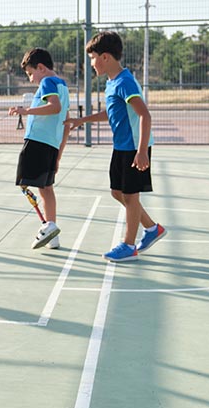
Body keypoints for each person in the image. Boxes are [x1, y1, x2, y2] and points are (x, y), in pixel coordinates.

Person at [65, 31, 165, 262]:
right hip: (121, 146)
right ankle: (152, 229)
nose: (91, 63)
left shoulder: (125, 82)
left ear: (106, 57)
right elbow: (112, 113)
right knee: (117, 192)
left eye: (93, 58)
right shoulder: (112, 83)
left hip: (133, 148)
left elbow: (145, 116)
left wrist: (141, 151)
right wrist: (82, 120)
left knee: (130, 196)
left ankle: (129, 245)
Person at [8, 48, 70, 250]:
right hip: (51, 145)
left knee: (24, 183)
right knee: (46, 188)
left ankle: (48, 226)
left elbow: (55, 107)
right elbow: (66, 123)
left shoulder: (47, 82)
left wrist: (25, 111)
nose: (31, 79)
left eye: (30, 73)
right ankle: (52, 233)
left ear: (41, 68)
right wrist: (59, 154)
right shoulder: (63, 86)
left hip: (37, 142)